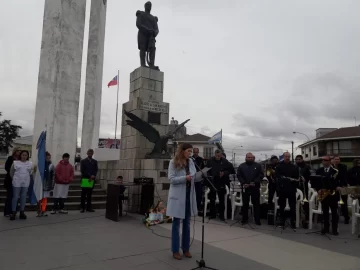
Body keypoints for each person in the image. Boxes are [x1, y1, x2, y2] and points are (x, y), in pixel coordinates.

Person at [166, 143, 197, 260]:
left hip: (188, 195)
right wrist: (185, 178)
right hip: (178, 196)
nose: (190, 153)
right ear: (182, 151)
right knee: (176, 223)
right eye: (188, 151)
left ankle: (186, 249)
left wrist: (196, 177)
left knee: (187, 223)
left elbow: (194, 175)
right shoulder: (173, 162)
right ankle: (175, 250)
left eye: (191, 151)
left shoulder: (191, 162)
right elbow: (171, 179)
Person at [206, 149, 233, 221]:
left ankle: (221, 215)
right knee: (212, 199)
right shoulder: (210, 160)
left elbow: (229, 171)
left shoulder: (225, 161)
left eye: (219, 155)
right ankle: (212, 214)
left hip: (221, 182)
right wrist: (209, 176)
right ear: (214, 154)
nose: (218, 157)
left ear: (221, 155)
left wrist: (224, 173)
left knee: (222, 200)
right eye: (216, 155)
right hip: (212, 182)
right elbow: (206, 170)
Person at [315, 156, 340, 235]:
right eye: (323, 160)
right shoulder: (319, 171)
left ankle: (334, 229)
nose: (324, 162)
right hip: (324, 194)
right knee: (325, 212)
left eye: (326, 160)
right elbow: (317, 182)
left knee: (334, 213)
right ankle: (326, 228)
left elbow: (339, 181)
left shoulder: (335, 171)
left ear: (329, 162)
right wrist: (318, 189)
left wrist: (338, 186)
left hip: (333, 194)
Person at [237, 153, 264, 225]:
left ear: (253, 158)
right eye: (249, 157)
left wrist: (255, 182)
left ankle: (257, 220)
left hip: (255, 187)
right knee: (245, 204)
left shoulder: (258, 166)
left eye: (251, 157)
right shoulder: (241, 166)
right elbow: (239, 175)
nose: (250, 158)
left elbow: (261, 175)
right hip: (245, 187)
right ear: (246, 158)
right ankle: (244, 219)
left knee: (256, 204)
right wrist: (243, 183)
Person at [275, 152, 299, 229]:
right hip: (282, 189)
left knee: (293, 207)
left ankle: (293, 222)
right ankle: (281, 222)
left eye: (289, 156)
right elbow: (278, 177)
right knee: (282, 206)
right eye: (286, 156)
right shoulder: (279, 166)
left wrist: (295, 180)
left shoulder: (294, 166)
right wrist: (284, 180)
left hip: (291, 189)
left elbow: (296, 177)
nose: (287, 158)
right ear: (283, 157)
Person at [9, 150, 33, 220]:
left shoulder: (30, 163)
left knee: (23, 197)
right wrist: (15, 179)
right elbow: (11, 172)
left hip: (25, 182)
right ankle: (13, 212)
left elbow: (31, 172)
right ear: (20, 155)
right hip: (17, 182)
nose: (24, 156)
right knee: (15, 197)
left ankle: (22, 212)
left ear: (27, 156)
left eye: (26, 155)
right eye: (23, 155)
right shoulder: (15, 163)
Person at [332, 156, 350, 224]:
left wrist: (342, 185)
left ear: (340, 160)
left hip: (343, 186)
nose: (337, 160)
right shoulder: (331, 167)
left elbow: (344, 176)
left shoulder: (343, 167)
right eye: (335, 159)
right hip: (334, 187)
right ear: (333, 160)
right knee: (334, 202)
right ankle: (335, 217)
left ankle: (346, 217)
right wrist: (335, 186)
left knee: (344, 203)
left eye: (338, 159)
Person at [295, 155, 311, 227]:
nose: (298, 160)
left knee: (305, 203)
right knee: (296, 202)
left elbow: (310, 175)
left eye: (299, 159)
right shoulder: (294, 167)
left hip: (304, 186)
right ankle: (297, 217)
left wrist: (305, 179)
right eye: (297, 159)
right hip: (296, 186)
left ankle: (306, 219)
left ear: (302, 159)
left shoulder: (307, 166)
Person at [4, 148, 21, 217]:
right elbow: (6, 167)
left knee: (15, 196)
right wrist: (12, 173)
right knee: (10, 196)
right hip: (10, 179)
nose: (19, 152)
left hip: (18, 180)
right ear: (15, 151)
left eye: (19, 151)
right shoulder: (10, 158)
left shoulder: (20, 160)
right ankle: (7, 212)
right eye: (17, 151)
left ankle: (14, 210)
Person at [37, 152, 55, 217]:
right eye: (47, 157)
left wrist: (52, 184)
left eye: (49, 157)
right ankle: (39, 210)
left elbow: (53, 175)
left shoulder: (51, 165)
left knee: (45, 198)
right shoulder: (40, 165)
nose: (48, 158)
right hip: (40, 184)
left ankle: (43, 210)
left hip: (47, 184)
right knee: (39, 198)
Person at [192, 148, 204, 213]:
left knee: (199, 194)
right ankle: (191, 207)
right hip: (191, 179)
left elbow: (203, 168)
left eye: (196, 152)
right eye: (194, 152)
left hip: (198, 179)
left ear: (198, 152)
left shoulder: (201, 159)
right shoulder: (190, 159)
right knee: (192, 193)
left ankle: (198, 207)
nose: (195, 153)